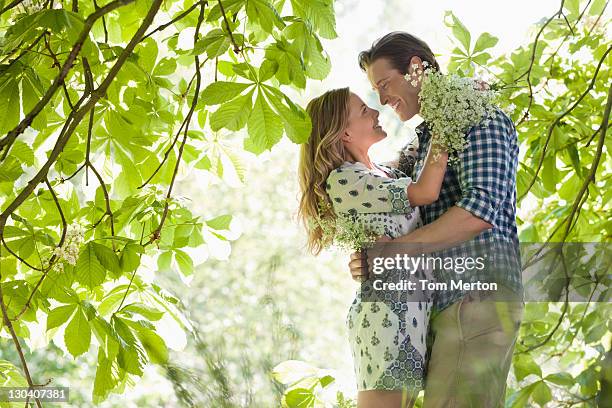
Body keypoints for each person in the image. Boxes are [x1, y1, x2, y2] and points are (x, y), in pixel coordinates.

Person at [350, 32, 524, 407]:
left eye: (384, 84)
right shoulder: (428, 138)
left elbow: (480, 211)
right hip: (441, 303)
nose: (381, 99)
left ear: (415, 69)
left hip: (476, 294)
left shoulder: (479, 115)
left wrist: (393, 253)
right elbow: (392, 196)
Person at [297, 87, 448, 408]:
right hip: (385, 319)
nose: (377, 112)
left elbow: (414, 159)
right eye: (365, 111)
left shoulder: (384, 173)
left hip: (413, 315)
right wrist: (448, 125)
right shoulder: (345, 179)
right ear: (345, 133)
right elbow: (425, 192)